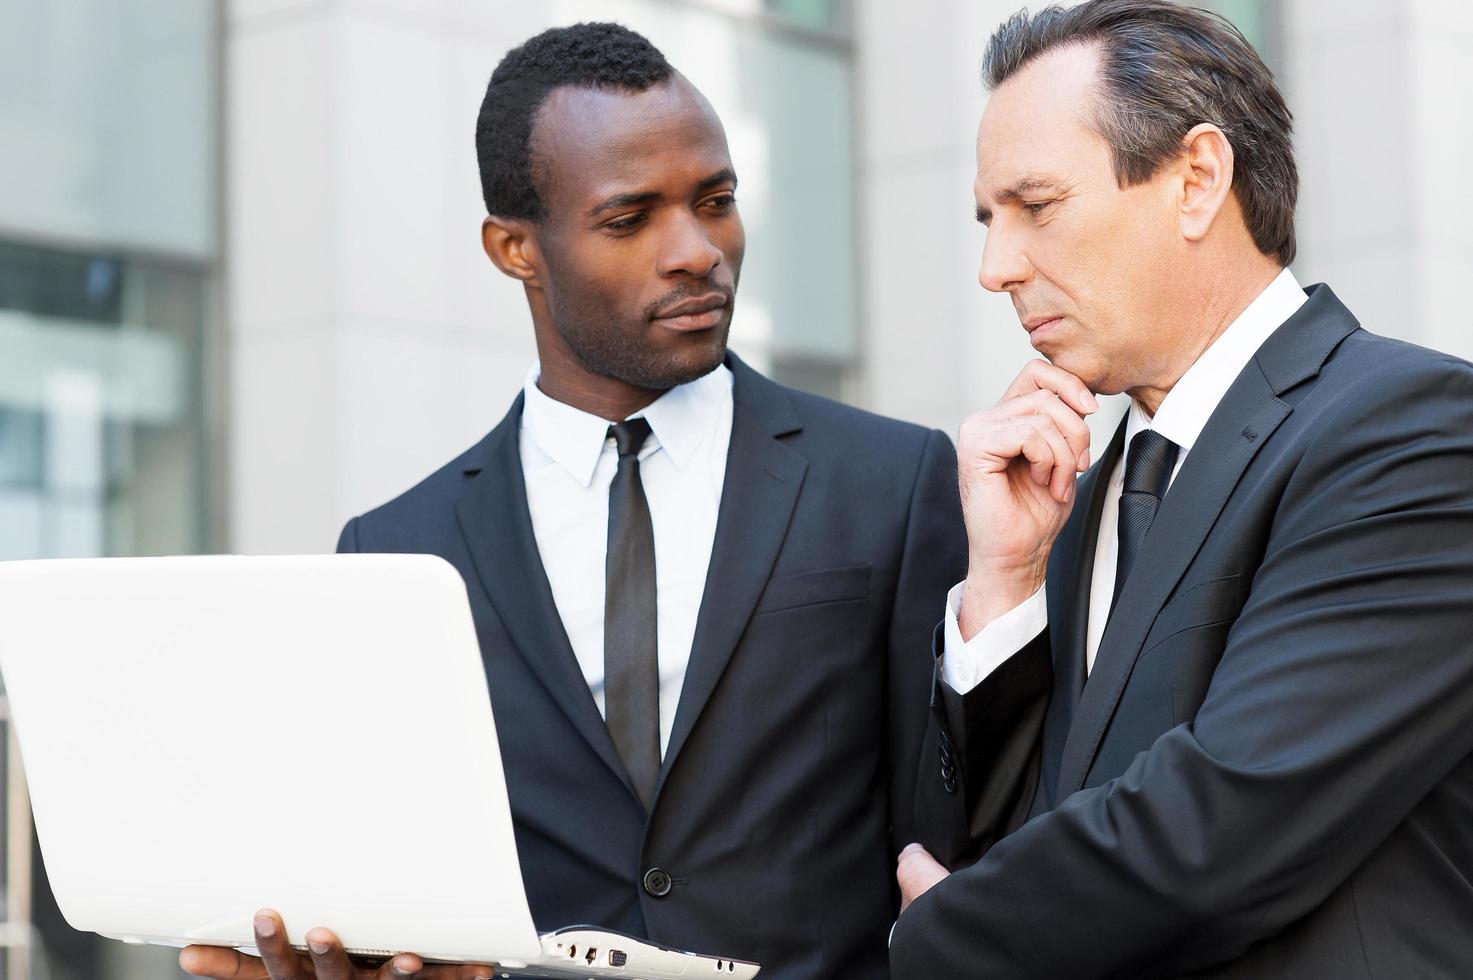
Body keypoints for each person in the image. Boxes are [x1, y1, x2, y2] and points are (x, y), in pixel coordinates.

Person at [183, 22, 964, 980]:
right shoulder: (396, 547)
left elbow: (949, 824)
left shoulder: (893, 480)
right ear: (515, 249)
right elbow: (392, 873)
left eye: (713, 202)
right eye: (630, 218)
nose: (696, 252)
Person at [890, 2, 1473, 977]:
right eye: (991, 222)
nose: (996, 268)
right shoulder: (1079, 487)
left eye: (1037, 206)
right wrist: (1003, 580)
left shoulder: (1411, 430)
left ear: (1197, 180)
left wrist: (936, 938)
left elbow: (1223, 825)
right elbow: (998, 836)